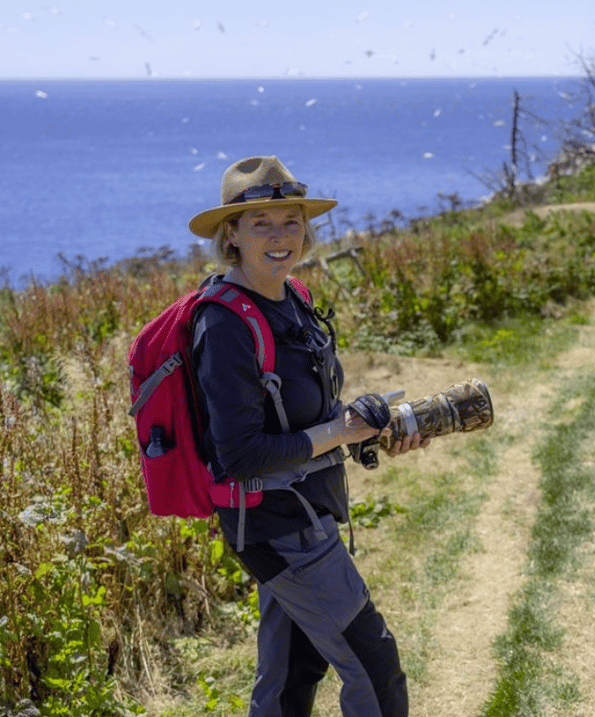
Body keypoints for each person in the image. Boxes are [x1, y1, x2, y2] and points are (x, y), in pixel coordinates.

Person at [187, 155, 425, 717]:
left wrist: (364, 426)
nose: (280, 236)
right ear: (231, 235)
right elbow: (241, 454)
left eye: (291, 220)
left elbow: (306, 417)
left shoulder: (294, 299)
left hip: (306, 510)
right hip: (274, 525)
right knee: (375, 669)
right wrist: (338, 429)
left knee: (293, 675)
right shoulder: (222, 325)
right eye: (261, 223)